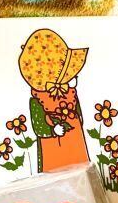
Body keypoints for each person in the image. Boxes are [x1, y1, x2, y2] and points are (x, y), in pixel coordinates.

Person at [18, 29, 90, 172]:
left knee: (80, 167)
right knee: (55, 170)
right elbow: (38, 126)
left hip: (74, 138)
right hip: (53, 142)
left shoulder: (70, 92)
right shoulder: (37, 100)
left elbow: (78, 111)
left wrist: (78, 119)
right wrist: (52, 129)